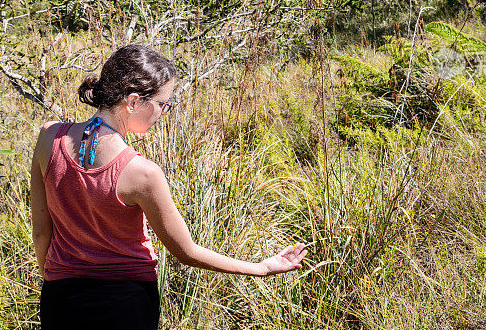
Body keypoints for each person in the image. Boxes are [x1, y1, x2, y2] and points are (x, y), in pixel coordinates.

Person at [30, 44, 307, 329]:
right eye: (164, 104)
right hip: (127, 304)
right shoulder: (142, 173)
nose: (164, 112)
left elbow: (41, 232)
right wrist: (261, 268)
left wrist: (55, 279)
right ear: (134, 102)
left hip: (60, 299)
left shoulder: (49, 137)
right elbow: (185, 251)